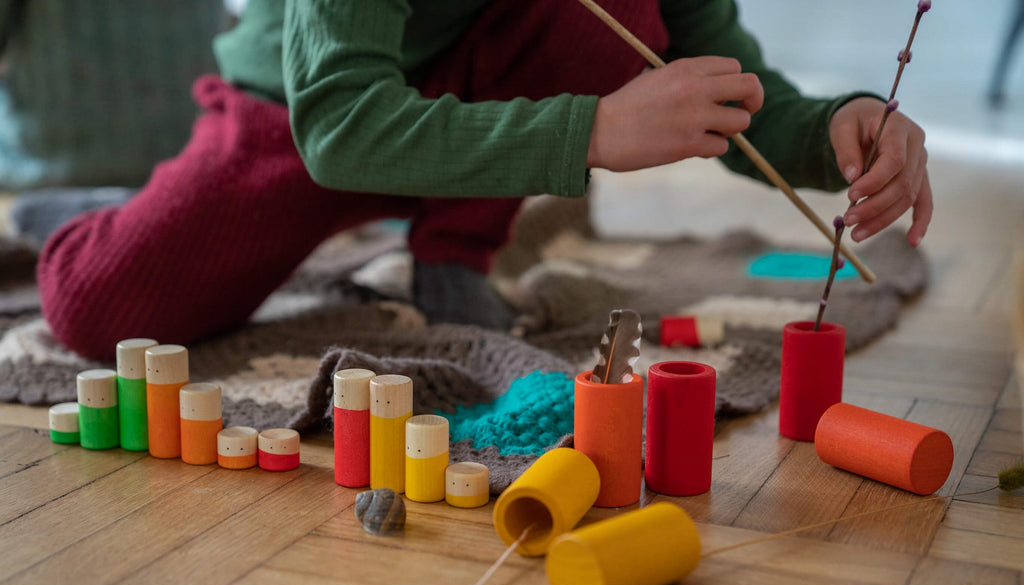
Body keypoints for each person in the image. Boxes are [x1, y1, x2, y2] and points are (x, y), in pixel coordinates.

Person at [35, 0, 931, 361]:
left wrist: (836, 128)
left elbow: (726, 85)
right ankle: (114, 213)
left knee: (614, 13)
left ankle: (454, 247)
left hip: (473, 112)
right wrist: (596, 129)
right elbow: (340, 123)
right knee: (96, 307)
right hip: (302, 118)